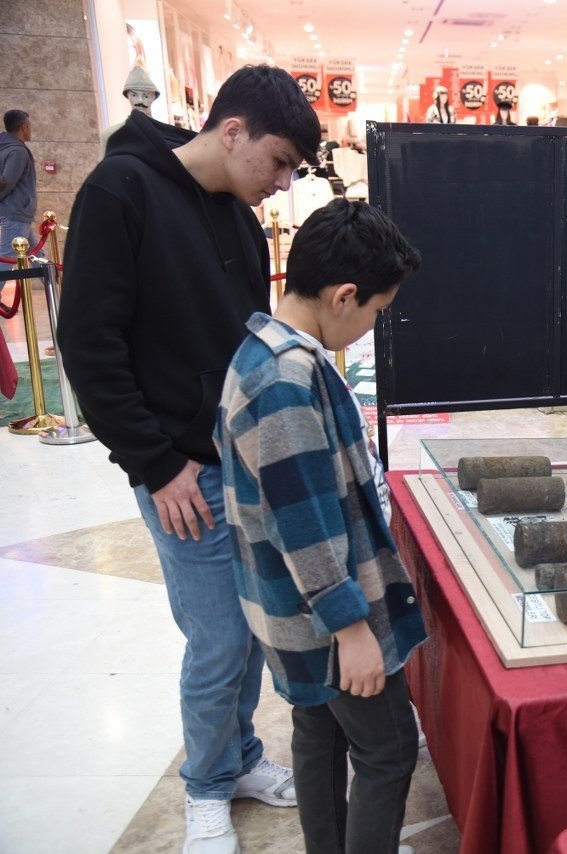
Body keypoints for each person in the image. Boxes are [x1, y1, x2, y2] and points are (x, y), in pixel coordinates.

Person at [57, 64, 321, 854]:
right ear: (231, 130)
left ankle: (237, 759)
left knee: (250, 626)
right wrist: (156, 463)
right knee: (218, 638)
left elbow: (243, 335)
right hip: (179, 469)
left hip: (240, 459)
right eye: (276, 162)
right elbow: (89, 345)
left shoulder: (236, 211)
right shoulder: (119, 193)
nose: (279, 183)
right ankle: (206, 785)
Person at [215, 198, 425, 854]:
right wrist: (353, 630)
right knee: (388, 749)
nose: (370, 327)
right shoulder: (283, 381)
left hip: (289, 611)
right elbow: (301, 525)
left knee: (318, 731)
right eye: (375, 312)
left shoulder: (270, 351)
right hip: (322, 618)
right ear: (343, 296)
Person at [0, 109, 36, 257]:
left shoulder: (6, 148)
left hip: (17, 211)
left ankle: (53, 281)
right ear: (24, 126)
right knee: (7, 257)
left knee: (36, 255)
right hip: (15, 212)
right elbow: (7, 183)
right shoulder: (17, 151)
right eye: (29, 125)